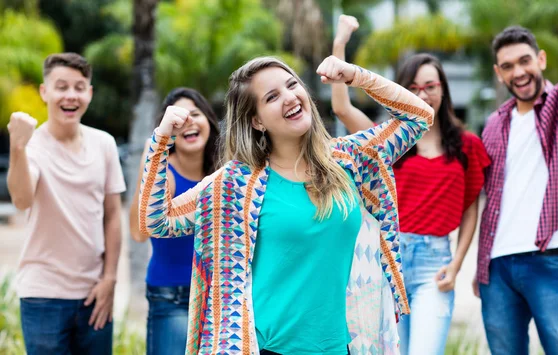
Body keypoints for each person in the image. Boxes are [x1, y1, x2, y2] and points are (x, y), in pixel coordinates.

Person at [138, 55, 434, 354]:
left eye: (292, 85)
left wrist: (355, 76)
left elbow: (420, 117)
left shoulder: (348, 159)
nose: (290, 97)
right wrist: (161, 140)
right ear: (257, 121)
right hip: (268, 348)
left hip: (342, 346)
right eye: (272, 96)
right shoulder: (237, 184)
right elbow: (157, 221)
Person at [330, 15, 490, 355]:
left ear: (443, 89)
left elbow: (471, 206)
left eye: (430, 86)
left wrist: (458, 263)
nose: (423, 94)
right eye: (413, 88)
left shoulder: (466, 144)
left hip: (436, 262)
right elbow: (342, 107)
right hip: (390, 258)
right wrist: (340, 43)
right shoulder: (388, 143)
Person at [474, 0, 558, 353]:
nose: (519, 72)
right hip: (496, 268)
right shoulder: (494, 123)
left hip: (549, 259)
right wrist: (480, 269)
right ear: (499, 73)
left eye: (525, 61)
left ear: (541, 59)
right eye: (508, 66)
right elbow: (490, 199)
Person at [7, 52, 125, 355]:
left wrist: (110, 278)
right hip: (43, 295)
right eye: (61, 87)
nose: (70, 95)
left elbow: (113, 215)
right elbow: (21, 199)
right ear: (45, 92)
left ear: (89, 93)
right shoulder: (32, 146)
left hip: (94, 294)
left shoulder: (105, 144)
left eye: (79, 87)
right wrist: (18, 148)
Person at [129, 88, 220, 354]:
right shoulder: (165, 176)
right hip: (172, 297)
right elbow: (138, 232)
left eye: (195, 114)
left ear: (209, 121)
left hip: (220, 294)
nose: (189, 122)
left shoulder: (223, 171)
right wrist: (151, 159)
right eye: (179, 120)